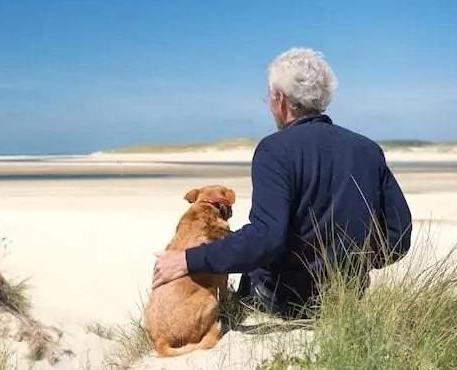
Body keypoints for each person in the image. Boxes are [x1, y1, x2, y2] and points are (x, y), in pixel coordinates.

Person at [151, 47, 412, 317]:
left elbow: (266, 238)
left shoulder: (274, 150)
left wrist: (188, 259)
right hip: (346, 299)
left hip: (282, 302)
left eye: (269, 97)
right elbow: (398, 237)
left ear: (280, 99)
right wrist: (351, 267)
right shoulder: (368, 149)